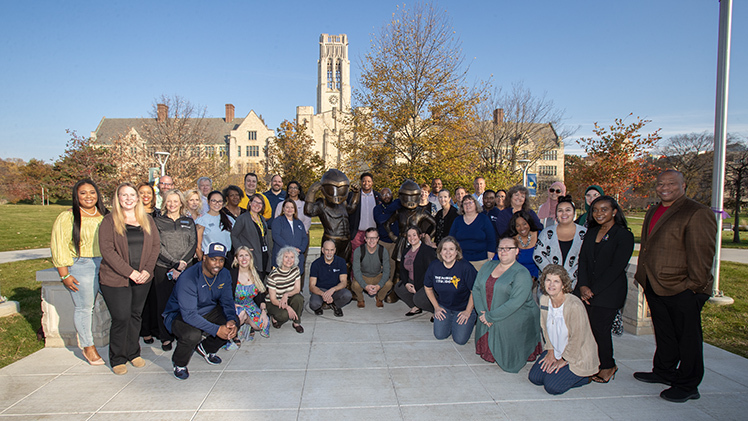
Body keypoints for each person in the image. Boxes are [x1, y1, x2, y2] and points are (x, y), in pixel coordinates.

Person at [633, 170, 717, 403]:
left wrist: (693, 287)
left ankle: (689, 384)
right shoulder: (653, 210)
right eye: (661, 184)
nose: (664, 187)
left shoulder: (697, 212)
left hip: (683, 288)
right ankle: (664, 370)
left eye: (671, 183)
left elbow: (703, 254)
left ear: (684, 185)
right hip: (655, 284)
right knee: (664, 333)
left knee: (687, 338)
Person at [98, 182, 160, 375]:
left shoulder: (147, 220)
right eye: (124, 195)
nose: (128, 199)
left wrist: (147, 271)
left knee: (135, 316)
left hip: (142, 278)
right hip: (116, 279)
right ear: (117, 198)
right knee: (121, 317)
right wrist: (130, 272)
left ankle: (133, 353)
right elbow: (107, 251)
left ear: (137, 198)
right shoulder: (109, 221)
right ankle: (117, 357)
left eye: (132, 195)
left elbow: (155, 247)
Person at [575, 196, 634, 384]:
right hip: (586, 288)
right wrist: (583, 285)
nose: (599, 213)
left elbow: (616, 267)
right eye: (595, 210)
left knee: (601, 329)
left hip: (609, 291)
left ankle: (608, 365)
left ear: (614, 211)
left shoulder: (623, 235)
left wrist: (594, 290)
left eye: (604, 209)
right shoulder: (591, 232)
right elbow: (582, 259)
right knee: (586, 328)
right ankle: (592, 362)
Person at [50, 179, 109, 365]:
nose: (88, 196)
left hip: (107, 265)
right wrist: (65, 274)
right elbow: (59, 246)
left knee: (117, 306)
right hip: (82, 264)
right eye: (83, 193)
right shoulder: (68, 217)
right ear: (76, 196)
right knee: (85, 308)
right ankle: (88, 346)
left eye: (92, 192)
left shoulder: (105, 215)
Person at [162, 243, 238, 380]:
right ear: (204, 258)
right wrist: (216, 330)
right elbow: (189, 315)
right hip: (179, 315)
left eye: (221, 260)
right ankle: (179, 364)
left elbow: (227, 301)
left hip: (207, 310)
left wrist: (231, 319)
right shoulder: (189, 277)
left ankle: (207, 348)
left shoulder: (224, 274)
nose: (218, 264)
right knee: (192, 335)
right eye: (213, 259)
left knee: (233, 323)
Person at [529, 264, 599, 395]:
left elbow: (578, 338)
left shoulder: (574, 305)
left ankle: (585, 377)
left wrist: (564, 360)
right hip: (556, 349)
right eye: (548, 280)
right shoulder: (544, 300)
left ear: (563, 284)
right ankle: (558, 370)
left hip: (576, 354)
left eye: (556, 281)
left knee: (552, 387)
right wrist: (550, 351)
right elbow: (544, 327)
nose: (551, 285)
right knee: (535, 378)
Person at [473, 237, 540, 373]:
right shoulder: (488, 266)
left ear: (517, 251)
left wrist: (491, 316)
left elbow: (516, 302)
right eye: (501, 248)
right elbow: (476, 289)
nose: (504, 251)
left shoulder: (521, 273)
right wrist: (482, 313)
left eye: (508, 248)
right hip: (487, 313)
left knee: (502, 323)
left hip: (516, 314)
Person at [147, 189, 197, 352]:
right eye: (169, 201)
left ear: (181, 203)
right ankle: (165, 337)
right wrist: (174, 264)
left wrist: (182, 264)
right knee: (164, 303)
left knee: (184, 303)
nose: (172, 204)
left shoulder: (188, 222)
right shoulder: (157, 222)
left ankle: (182, 334)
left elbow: (193, 244)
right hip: (163, 267)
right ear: (164, 203)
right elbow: (157, 245)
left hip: (186, 268)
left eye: (176, 201)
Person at [423, 237, 477, 345]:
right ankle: (451, 322)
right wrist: (437, 307)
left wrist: (468, 311)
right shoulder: (434, 266)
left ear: (457, 251)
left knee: (460, 340)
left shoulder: (465, 267)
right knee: (440, 335)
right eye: (444, 249)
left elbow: (475, 291)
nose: (448, 253)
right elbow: (427, 287)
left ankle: (470, 318)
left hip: (463, 308)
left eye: (451, 249)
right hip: (444, 307)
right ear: (440, 251)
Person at [533, 196, 586, 290]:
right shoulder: (546, 232)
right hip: (549, 286)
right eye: (560, 210)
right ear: (556, 214)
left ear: (574, 213)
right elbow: (538, 255)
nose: (564, 213)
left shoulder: (584, 234)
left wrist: (565, 278)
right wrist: (554, 277)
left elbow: (586, 259)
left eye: (568, 210)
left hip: (576, 286)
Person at [394, 226, 437, 316]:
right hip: (412, 280)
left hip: (425, 283)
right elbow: (402, 269)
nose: (411, 238)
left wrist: (417, 287)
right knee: (399, 288)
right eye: (409, 236)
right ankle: (416, 307)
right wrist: (406, 283)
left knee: (418, 299)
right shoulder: (406, 251)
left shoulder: (427, 250)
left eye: (414, 235)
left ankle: (435, 309)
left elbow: (430, 272)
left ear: (420, 236)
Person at [230, 246, 270, 342]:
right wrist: (234, 305)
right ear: (236, 259)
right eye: (241, 256)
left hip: (250, 305)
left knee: (262, 324)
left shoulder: (256, 274)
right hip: (234, 305)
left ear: (251, 258)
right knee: (240, 313)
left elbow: (261, 297)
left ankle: (246, 321)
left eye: (246, 255)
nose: (244, 259)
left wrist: (264, 312)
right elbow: (225, 296)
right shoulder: (231, 274)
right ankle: (235, 333)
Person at [449, 195, 496, 271]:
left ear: (475, 204)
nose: (468, 205)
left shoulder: (483, 219)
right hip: (461, 260)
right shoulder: (457, 220)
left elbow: (491, 240)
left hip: (481, 261)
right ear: (462, 207)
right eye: (465, 203)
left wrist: (489, 260)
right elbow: (451, 239)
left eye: (470, 202)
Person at [232, 193, 273, 280]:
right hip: (252, 256)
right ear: (250, 203)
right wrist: (242, 248)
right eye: (255, 202)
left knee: (261, 281)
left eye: (260, 203)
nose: (257, 205)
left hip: (263, 255)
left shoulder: (262, 219)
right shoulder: (242, 218)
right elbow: (234, 235)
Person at [265, 246, 304, 333]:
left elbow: (297, 289)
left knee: (299, 298)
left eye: (292, 257)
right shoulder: (273, 276)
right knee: (284, 315)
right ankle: (274, 318)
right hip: (274, 302)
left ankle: (296, 323)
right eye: (286, 257)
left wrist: (286, 295)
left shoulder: (296, 270)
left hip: (287, 298)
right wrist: (288, 308)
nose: (289, 260)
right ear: (281, 258)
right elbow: (273, 299)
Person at [309, 240, 353, 316]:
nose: (329, 253)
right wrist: (323, 294)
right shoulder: (315, 264)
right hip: (321, 290)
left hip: (335, 289)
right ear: (322, 250)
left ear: (335, 250)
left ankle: (335, 305)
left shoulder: (341, 262)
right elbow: (312, 286)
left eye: (332, 250)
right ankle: (321, 305)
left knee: (348, 295)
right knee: (314, 304)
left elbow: (343, 282)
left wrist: (333, 290)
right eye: (327, 250)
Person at [351, 228, 392, 308]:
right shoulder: (358, 251)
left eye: (374, 238)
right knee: (355, 285)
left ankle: (380, 298)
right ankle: (360, 299)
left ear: (378, 239)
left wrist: (378, 286)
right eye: (369, 238)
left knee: (389, 284)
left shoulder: (383, 251)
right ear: (365, 239)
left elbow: (387, 271)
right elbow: (356, 271)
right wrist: (365, 286)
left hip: (377, 275)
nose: (371, 240)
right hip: (363, 275)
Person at [272, 199, 309, 276]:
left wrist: (301, 249)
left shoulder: (299, 222)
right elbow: (276, 236)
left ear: (295, 209)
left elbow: (304, 238)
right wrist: (290, 248)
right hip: (283, 256)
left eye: (292, 207)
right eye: (287, 207)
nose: (289, 209)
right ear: (283, 209)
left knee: (295, 281)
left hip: (297, 256)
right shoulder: (278, 221)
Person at [348, 172, 381, 254]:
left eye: (369, 181)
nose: (366, 183)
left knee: (372, 257)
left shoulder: (378, 196)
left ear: (372, 182)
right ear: (361, 182)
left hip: (373, 234)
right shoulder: (353, 195)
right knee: (356, 257)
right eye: (364, 181)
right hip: (357, 233)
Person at [196, 191, 234, 261]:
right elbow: (198, 246)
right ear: (208, 201)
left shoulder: (230, 219)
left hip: (227, 257)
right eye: (214, 201)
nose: (217, 204)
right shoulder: (201, 221)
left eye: (220, 201)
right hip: (210, 258)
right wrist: (203, 262)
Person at [505, 210, 540, 279]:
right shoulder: (511, 241)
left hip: (539, 278)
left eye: (524, 224)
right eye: (518, 225)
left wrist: (534, 278)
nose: (522, 228)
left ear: (529, 223)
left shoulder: (540, 236)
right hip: (516, 279)